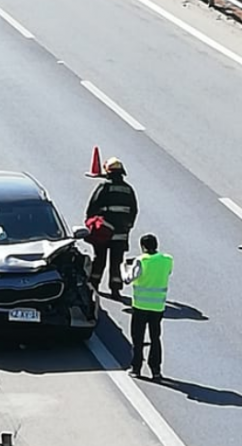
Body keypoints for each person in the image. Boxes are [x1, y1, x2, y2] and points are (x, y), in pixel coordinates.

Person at [85, 157, 138, 300]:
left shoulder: (104, 187)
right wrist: (127, 227)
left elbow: (92, 208)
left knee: (99, 259)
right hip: (121, 234)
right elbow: (134, 211)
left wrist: (91, 224)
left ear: (108, 172)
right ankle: (115, 289)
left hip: (103, 233)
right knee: (117, 262)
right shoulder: (128, 189)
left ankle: (94, 285)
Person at [124, 233, 173, 381]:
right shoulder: (167, 259)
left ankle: (136, 368)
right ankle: (156, 370)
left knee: (138, 339)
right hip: (158, 306)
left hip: (140, 306)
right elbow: (167, 272)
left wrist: (125, 267)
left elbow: (128, 279)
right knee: (155, 338)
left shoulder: (141, 260)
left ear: (143, 247)